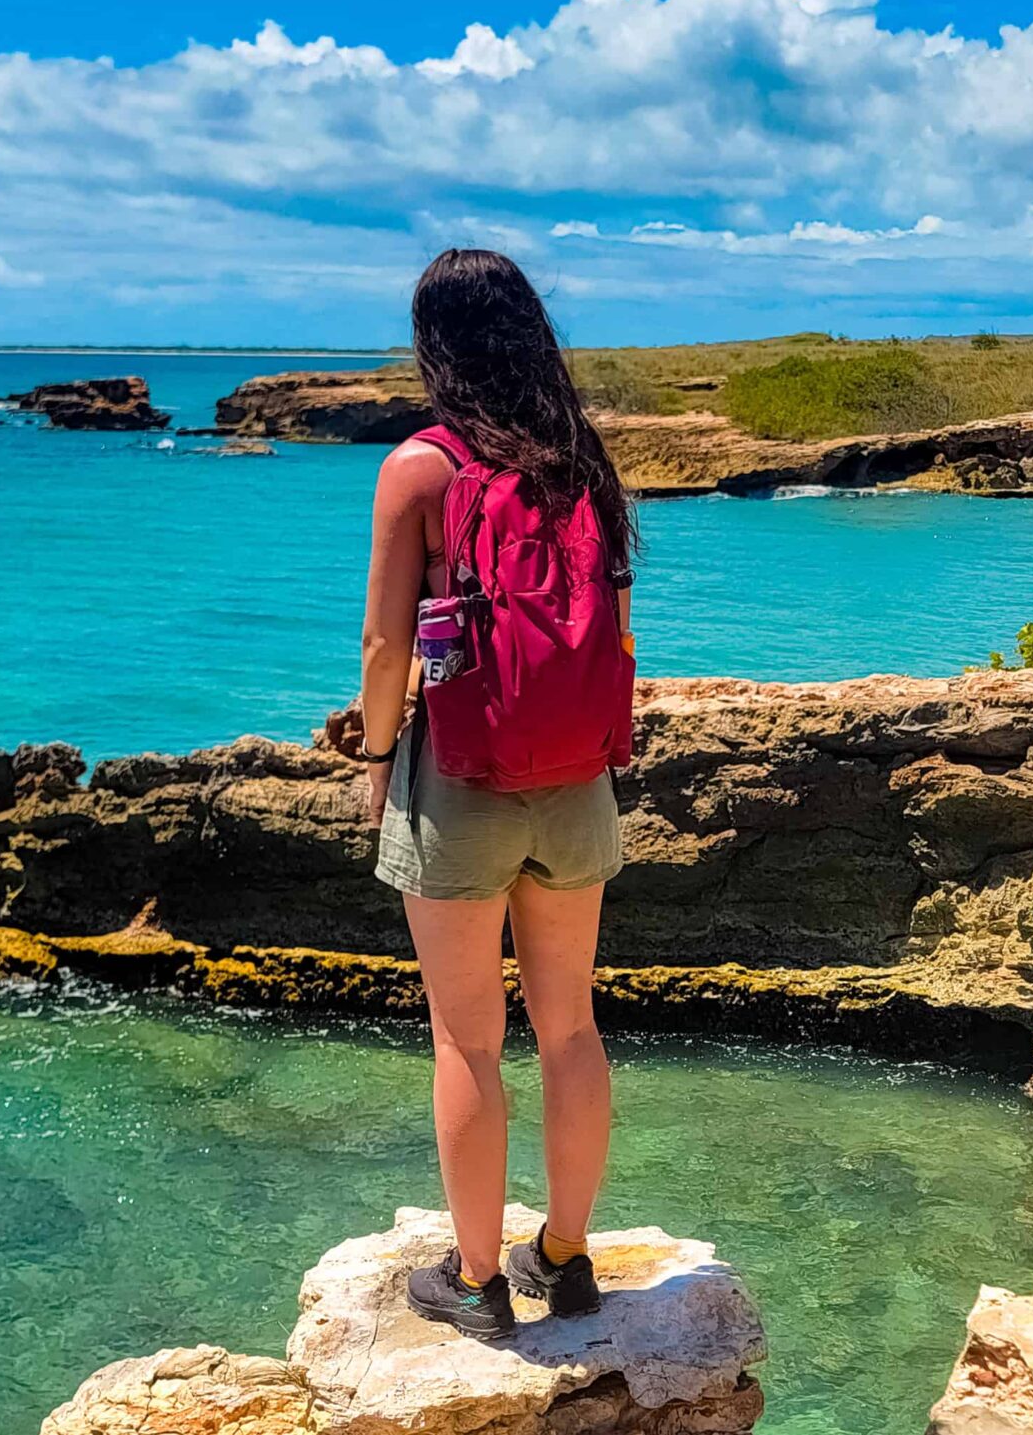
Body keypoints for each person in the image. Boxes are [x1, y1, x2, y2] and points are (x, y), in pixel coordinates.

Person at [355, 248, 639, 1341]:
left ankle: (476, 1281)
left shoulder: (420, 467)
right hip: (577, 782)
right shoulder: (583, 459)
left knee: (466, 1041)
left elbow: (387, 645)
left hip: (463, 781)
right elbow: (615, 631)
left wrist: (377, 762)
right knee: (569, 1027)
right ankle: (564, 1259)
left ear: (434, 344)